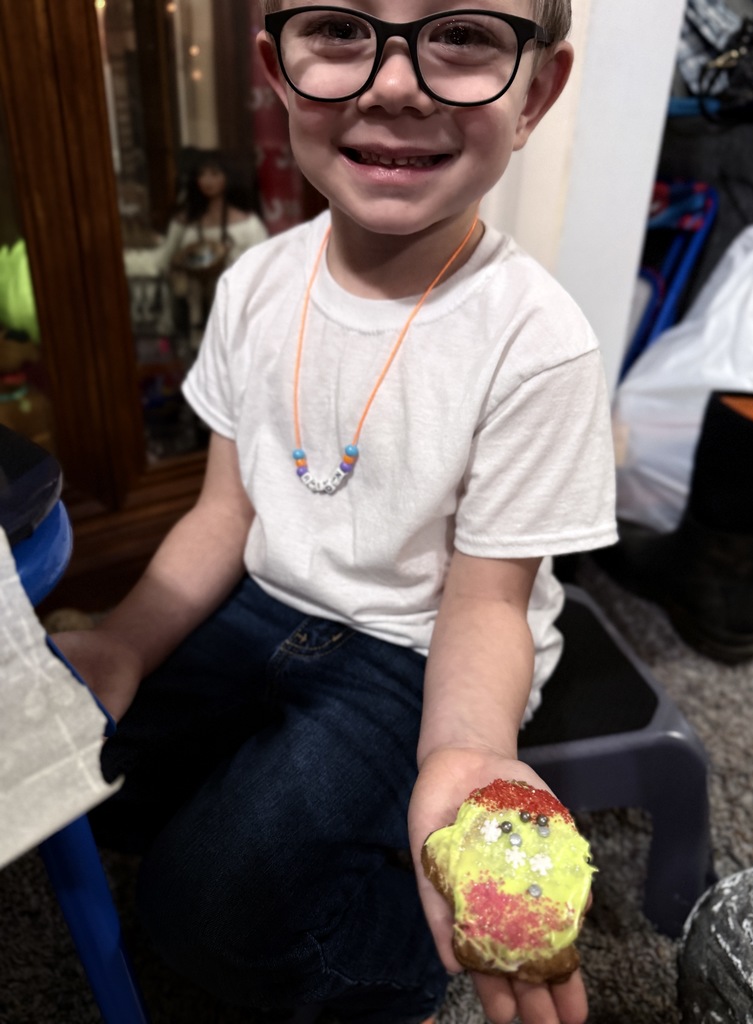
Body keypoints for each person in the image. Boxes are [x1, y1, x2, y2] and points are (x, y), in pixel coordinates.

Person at [54, 3, 618, 1023]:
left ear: (536, 91)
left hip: (416, 645)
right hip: (263, 604)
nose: (394, 83)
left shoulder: (539, 343)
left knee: (202, 907)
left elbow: (488, 601)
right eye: (342, 30)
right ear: (276, 68)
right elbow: (224, 511)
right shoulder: (254, 284)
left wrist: (466, 749)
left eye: (464, 37)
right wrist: (124, 644)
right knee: (74, 781)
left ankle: (398, 954)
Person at [155, 149, 269, 336]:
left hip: (236, 312)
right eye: (202, 174)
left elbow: (265, 268)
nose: (207, 180)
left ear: (228, 178)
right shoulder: (184, 223)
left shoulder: (248, 224)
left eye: (214, 174)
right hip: (194, 310)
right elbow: (163, 261)